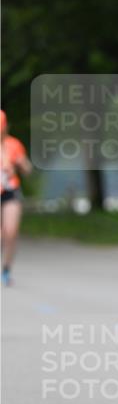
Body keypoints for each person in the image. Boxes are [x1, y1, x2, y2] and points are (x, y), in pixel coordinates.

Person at [1, 110, 32, 286]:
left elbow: (27, 170)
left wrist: (20, 165)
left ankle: (6, 269)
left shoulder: (14, 145)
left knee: (10, 232)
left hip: (10, 191)